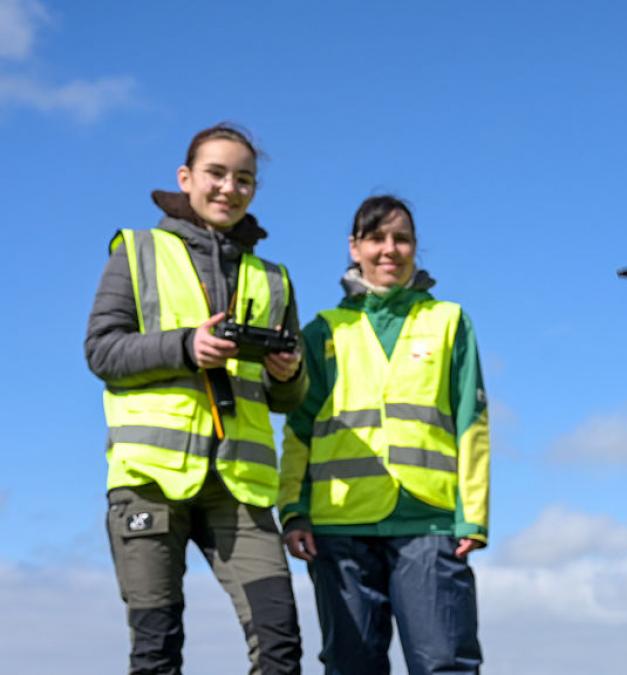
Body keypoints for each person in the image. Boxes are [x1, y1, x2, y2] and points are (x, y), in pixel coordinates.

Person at [85, 124, 306, 675]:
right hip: (150, 480)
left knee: (280, 648)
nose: (229, 188)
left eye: (244, 179)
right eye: (216, 174)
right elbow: (102, 352)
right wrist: (187, 346)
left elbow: (289, 397)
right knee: (157, 653)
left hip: (241, 487)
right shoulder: (135, 253)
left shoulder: (275, 279)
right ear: (186, 179)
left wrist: (289, 372)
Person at [279, 195, 489, 675]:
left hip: (429, 524)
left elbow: (472, 424)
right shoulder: (323, 332)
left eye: (402, 238)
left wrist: (472, 517)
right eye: (376, 238)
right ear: (355, 247)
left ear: (416, 247)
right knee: (351, 665)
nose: (389, 250)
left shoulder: (449, 322)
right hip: (338, 528)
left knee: (446, 663)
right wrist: (292, 511)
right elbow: (298, 428)